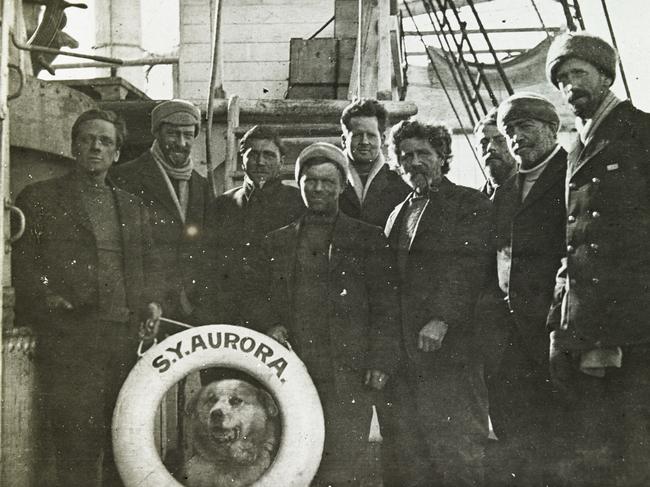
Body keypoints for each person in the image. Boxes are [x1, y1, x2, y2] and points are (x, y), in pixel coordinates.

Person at [13, 109, 163, 486]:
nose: (96, 146)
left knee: (122, 440)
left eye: (105, 141)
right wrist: (47, 298)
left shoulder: (132, 206)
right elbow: (25, 266)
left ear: (116, 153)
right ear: (74, 146)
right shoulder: (39, 198)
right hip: (70, 342)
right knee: (75, 445)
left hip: (123, 342)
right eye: (88, 139)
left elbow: (144, 267)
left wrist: (151, 302)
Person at [254, 142, 400, 486]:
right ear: (299, 183)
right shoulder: (276, 242)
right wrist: (271, 324)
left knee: (343, 459)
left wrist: (380, 362)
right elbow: (259, 298)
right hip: (294, 370)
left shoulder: (368, 239)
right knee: (294, 455)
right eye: (310, 181)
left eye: (328, 182)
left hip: (349, 373)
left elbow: (386, 305)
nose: (318, 188)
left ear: (342, 186)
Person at [546, 31, 650, 485]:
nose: (571, 87)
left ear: (606, 76)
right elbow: (573, 239)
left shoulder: (640, 131)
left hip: (630, 317)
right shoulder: (578, 145)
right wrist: (559, 313)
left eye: (579, 74)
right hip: (586, 314)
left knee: (630, 436)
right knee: (597, 435)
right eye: (562, 79)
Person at [382, 120, 492, 487]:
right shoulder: (397, 212)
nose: (415, 162)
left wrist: (443, 318)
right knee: (413, 458)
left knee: (458, 454)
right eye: (406, 156)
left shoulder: (469, 203)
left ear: (443, 157)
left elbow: (472, 266)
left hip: (452, 353)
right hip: (407, 356)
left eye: (423, 154)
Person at [476, 93, 567, 485]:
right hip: (507, 336)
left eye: (525, 128)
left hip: (554, 331)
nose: (516, 138)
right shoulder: (506, 189)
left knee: (560, 435)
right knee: (514, 431)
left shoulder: (572, 174)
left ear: (551, 129)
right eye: (510, 131)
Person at [111, 99, 210, 324]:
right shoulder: (126, 177)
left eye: (187, 135)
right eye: (173, 134)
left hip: (189, 305)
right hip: (146, 302)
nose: (181, 142)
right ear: (157, 133)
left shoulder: (201, 185)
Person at [204, 125, 304, 326]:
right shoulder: (222, 205)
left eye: (268, 155)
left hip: (282, 320)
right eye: (253, 155)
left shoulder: (298, 203)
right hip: (231, 317)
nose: (260, 162)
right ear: (242, 161)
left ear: (281, 161)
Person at [339, 98, 410, 227]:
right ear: (344, 140)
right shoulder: (330, 181)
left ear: (382, 140)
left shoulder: (401, 187)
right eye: (357, 135)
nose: (365, 142)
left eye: (371, 135)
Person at [473, 107, 517, 199]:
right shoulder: (470, 203)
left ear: (513, 144)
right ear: (477, 151)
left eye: (500, 140)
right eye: (483, 143)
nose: (490, 147)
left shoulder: (533, 194)